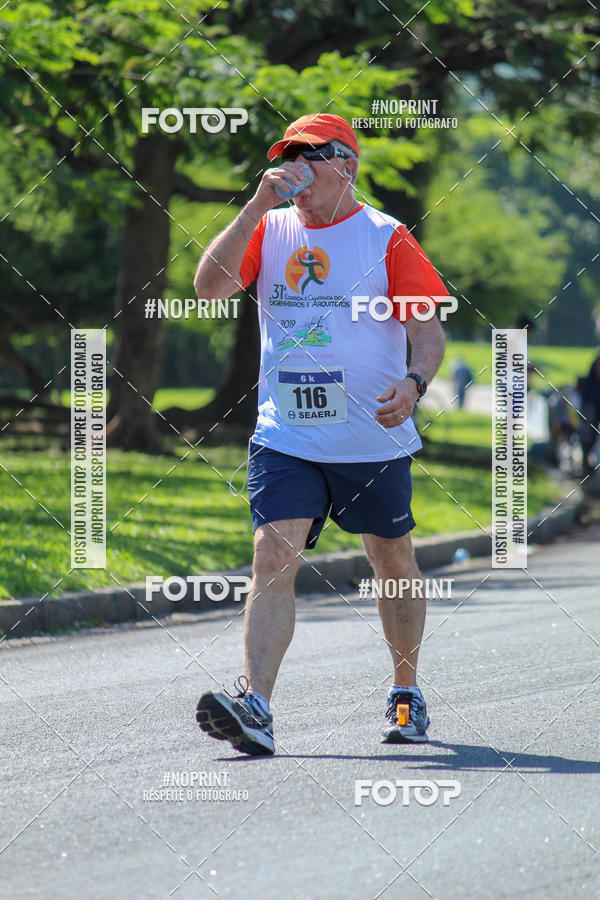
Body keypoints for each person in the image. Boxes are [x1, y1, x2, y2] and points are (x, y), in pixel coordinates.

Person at [193, 114, 447, 755]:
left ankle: (406, 693)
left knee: (391, 559)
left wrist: (414, 384)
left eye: (312, 155)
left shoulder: (386, 237)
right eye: (288, 155)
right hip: (288, 434)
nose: (297, 167)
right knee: (272, 555)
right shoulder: (268, 228)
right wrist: (255, 203)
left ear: (347, 165)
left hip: (369, 436)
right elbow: (208, 288)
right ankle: (256, 705)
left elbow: (426, 330)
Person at [579, 354, 600, 473]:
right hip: (591, 401)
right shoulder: (598, 360)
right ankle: (585, 464)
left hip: (594, 399)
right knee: (588, 433)